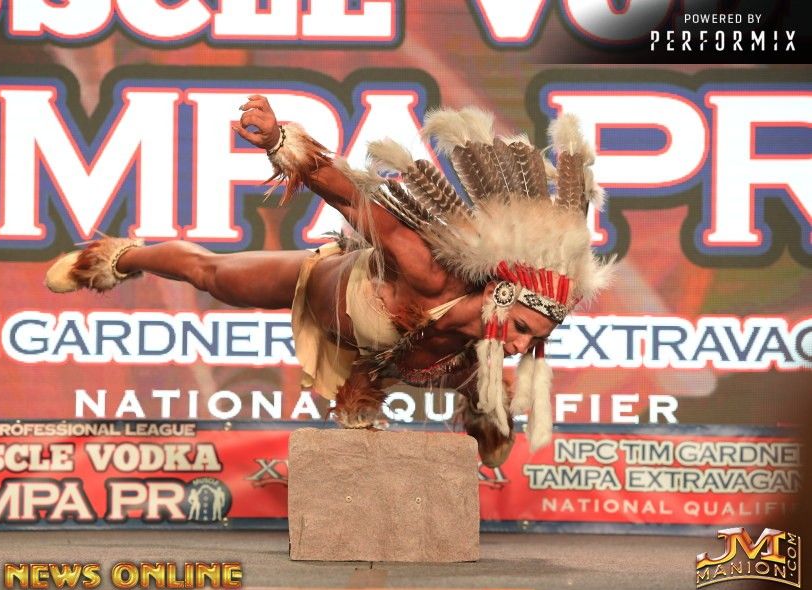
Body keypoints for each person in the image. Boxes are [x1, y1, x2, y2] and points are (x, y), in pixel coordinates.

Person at [45, 95, 613, 467]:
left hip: (390, 353)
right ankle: (117, 257)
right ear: (498, 292)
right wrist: (279, 141)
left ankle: (481, 418)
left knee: (477, 385)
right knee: (212, 275)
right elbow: (348, 194)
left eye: (533, 341)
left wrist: (489, 407)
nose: (518, 345)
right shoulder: (425, 269)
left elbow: (478, 357)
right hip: (322, 283)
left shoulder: (474, 350)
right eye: (520, 328)